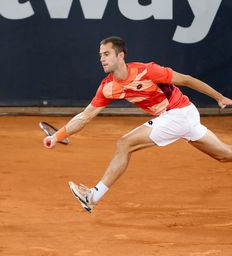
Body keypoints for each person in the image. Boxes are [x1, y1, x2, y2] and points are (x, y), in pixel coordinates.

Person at [43, 36, 232, 213]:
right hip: (177, 118)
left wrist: (219, 97)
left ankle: (92, 196)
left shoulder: (147, 71)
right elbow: (85, 117)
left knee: (124, 143)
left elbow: (186, 80)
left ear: (121, 55)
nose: (102, 59)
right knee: (224, 155)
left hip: (179, 113)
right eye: (100, 55)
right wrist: (56, 136)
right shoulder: (107, 87)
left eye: (106, 54)